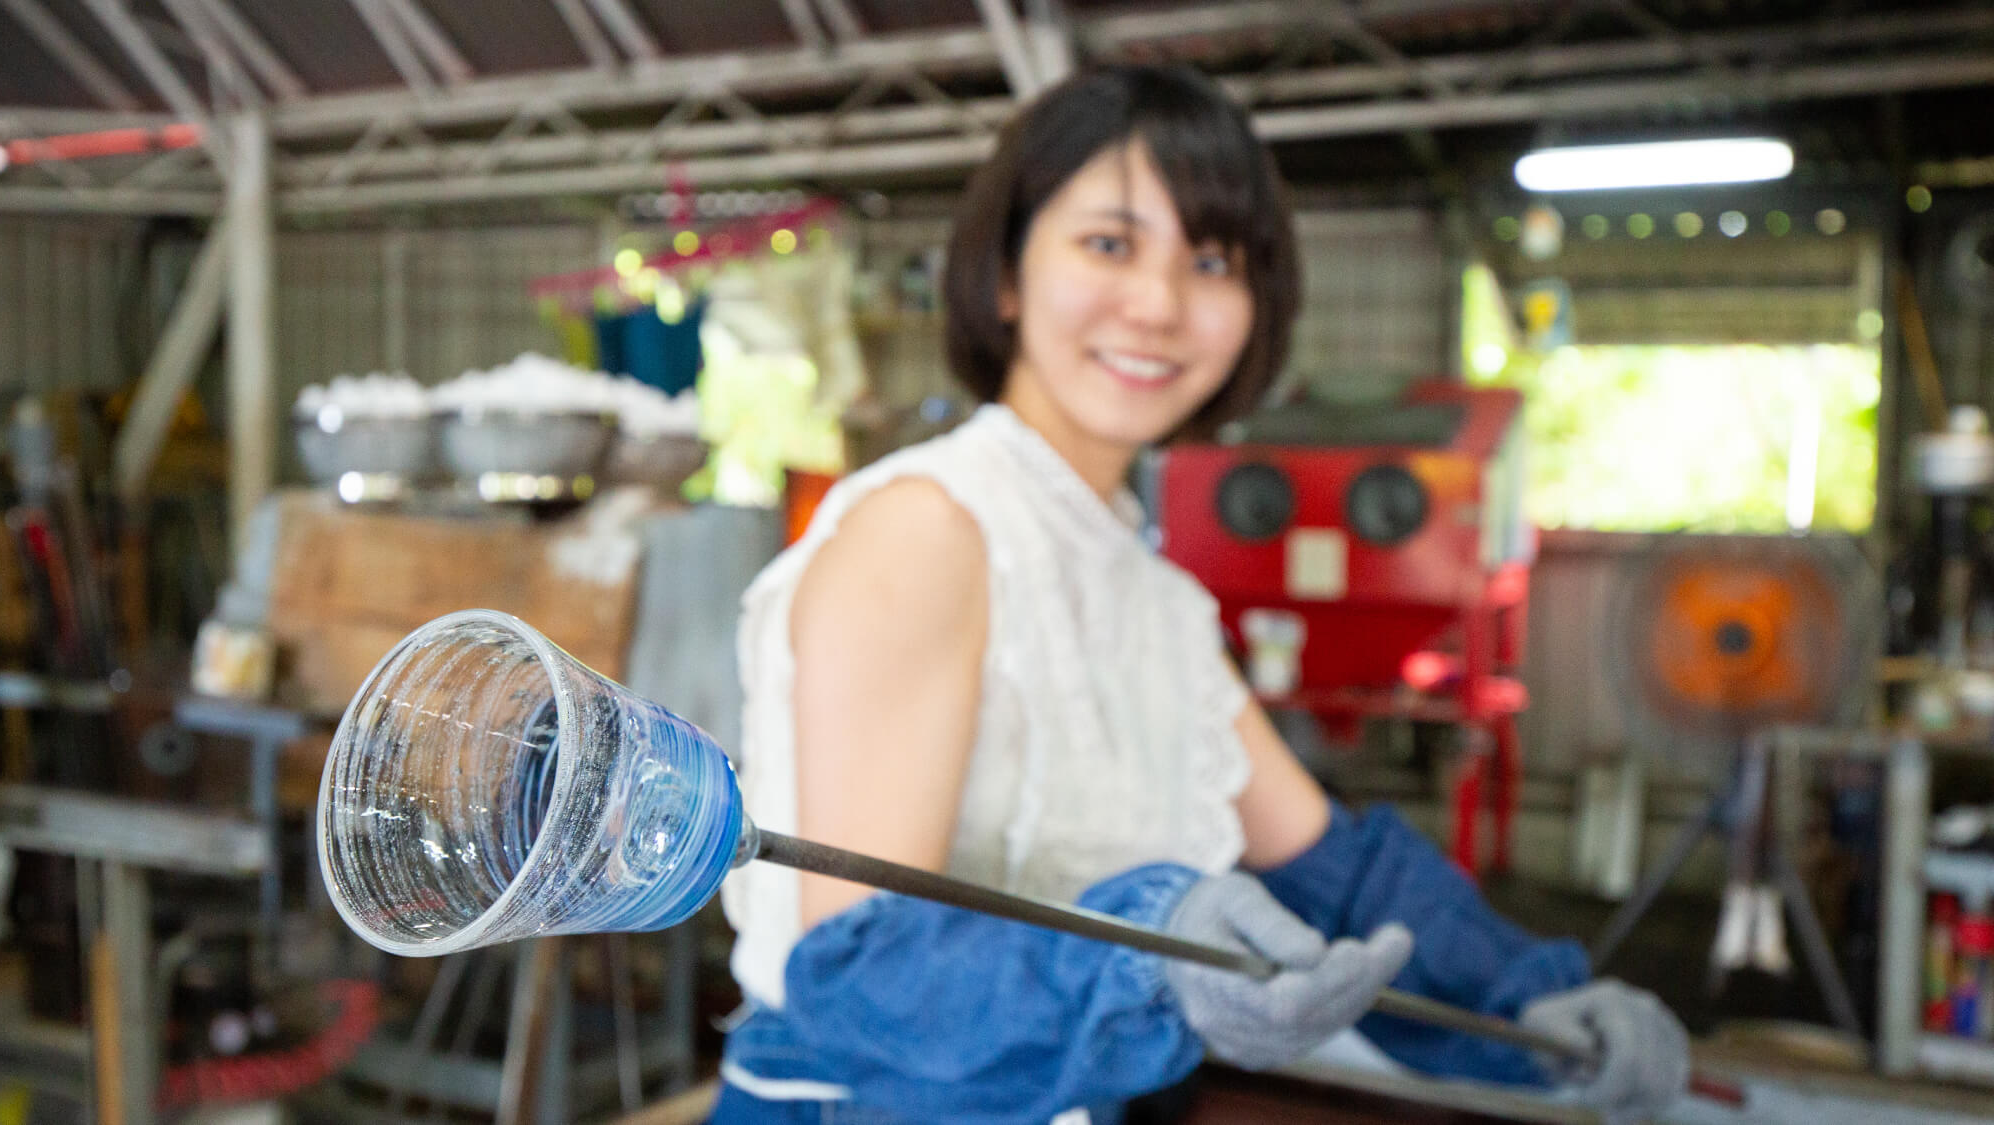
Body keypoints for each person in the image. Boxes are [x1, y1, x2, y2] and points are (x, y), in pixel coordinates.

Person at [709, 64, 1690, 1125]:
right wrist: (1150, 956)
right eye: (1109, 243)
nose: (1160, 305)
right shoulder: (929, 529)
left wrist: (1543, 1007)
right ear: (1003, 274)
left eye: (1211, 259)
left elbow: (1336, 878)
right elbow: (858, 970)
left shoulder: (1152, 596)